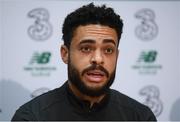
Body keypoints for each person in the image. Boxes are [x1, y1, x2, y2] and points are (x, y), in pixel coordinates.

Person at [12, 3, 157, 121]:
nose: (98, 59)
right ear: (65, 54)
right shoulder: (32, 117)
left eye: (108, 50)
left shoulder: (140, 117)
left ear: (117, 56)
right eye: (86, 48)